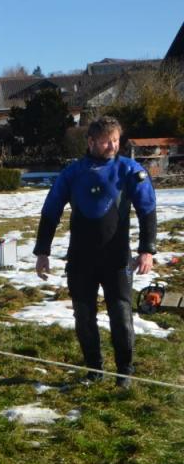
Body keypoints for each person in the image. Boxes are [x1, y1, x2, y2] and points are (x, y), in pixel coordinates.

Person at [34, 116, 157, 388]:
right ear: (90, 142)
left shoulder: (129, 170)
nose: (112, 145)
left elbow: (147, 209)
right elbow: (51, 210)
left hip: (116, 259)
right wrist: (42, 251)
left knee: (121, 316)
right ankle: (94, 369)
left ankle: (124, 371)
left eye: (115, 140)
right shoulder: (73, 173)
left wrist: (147, 249)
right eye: (105, 141)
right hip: (81, 259)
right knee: (84, 315)